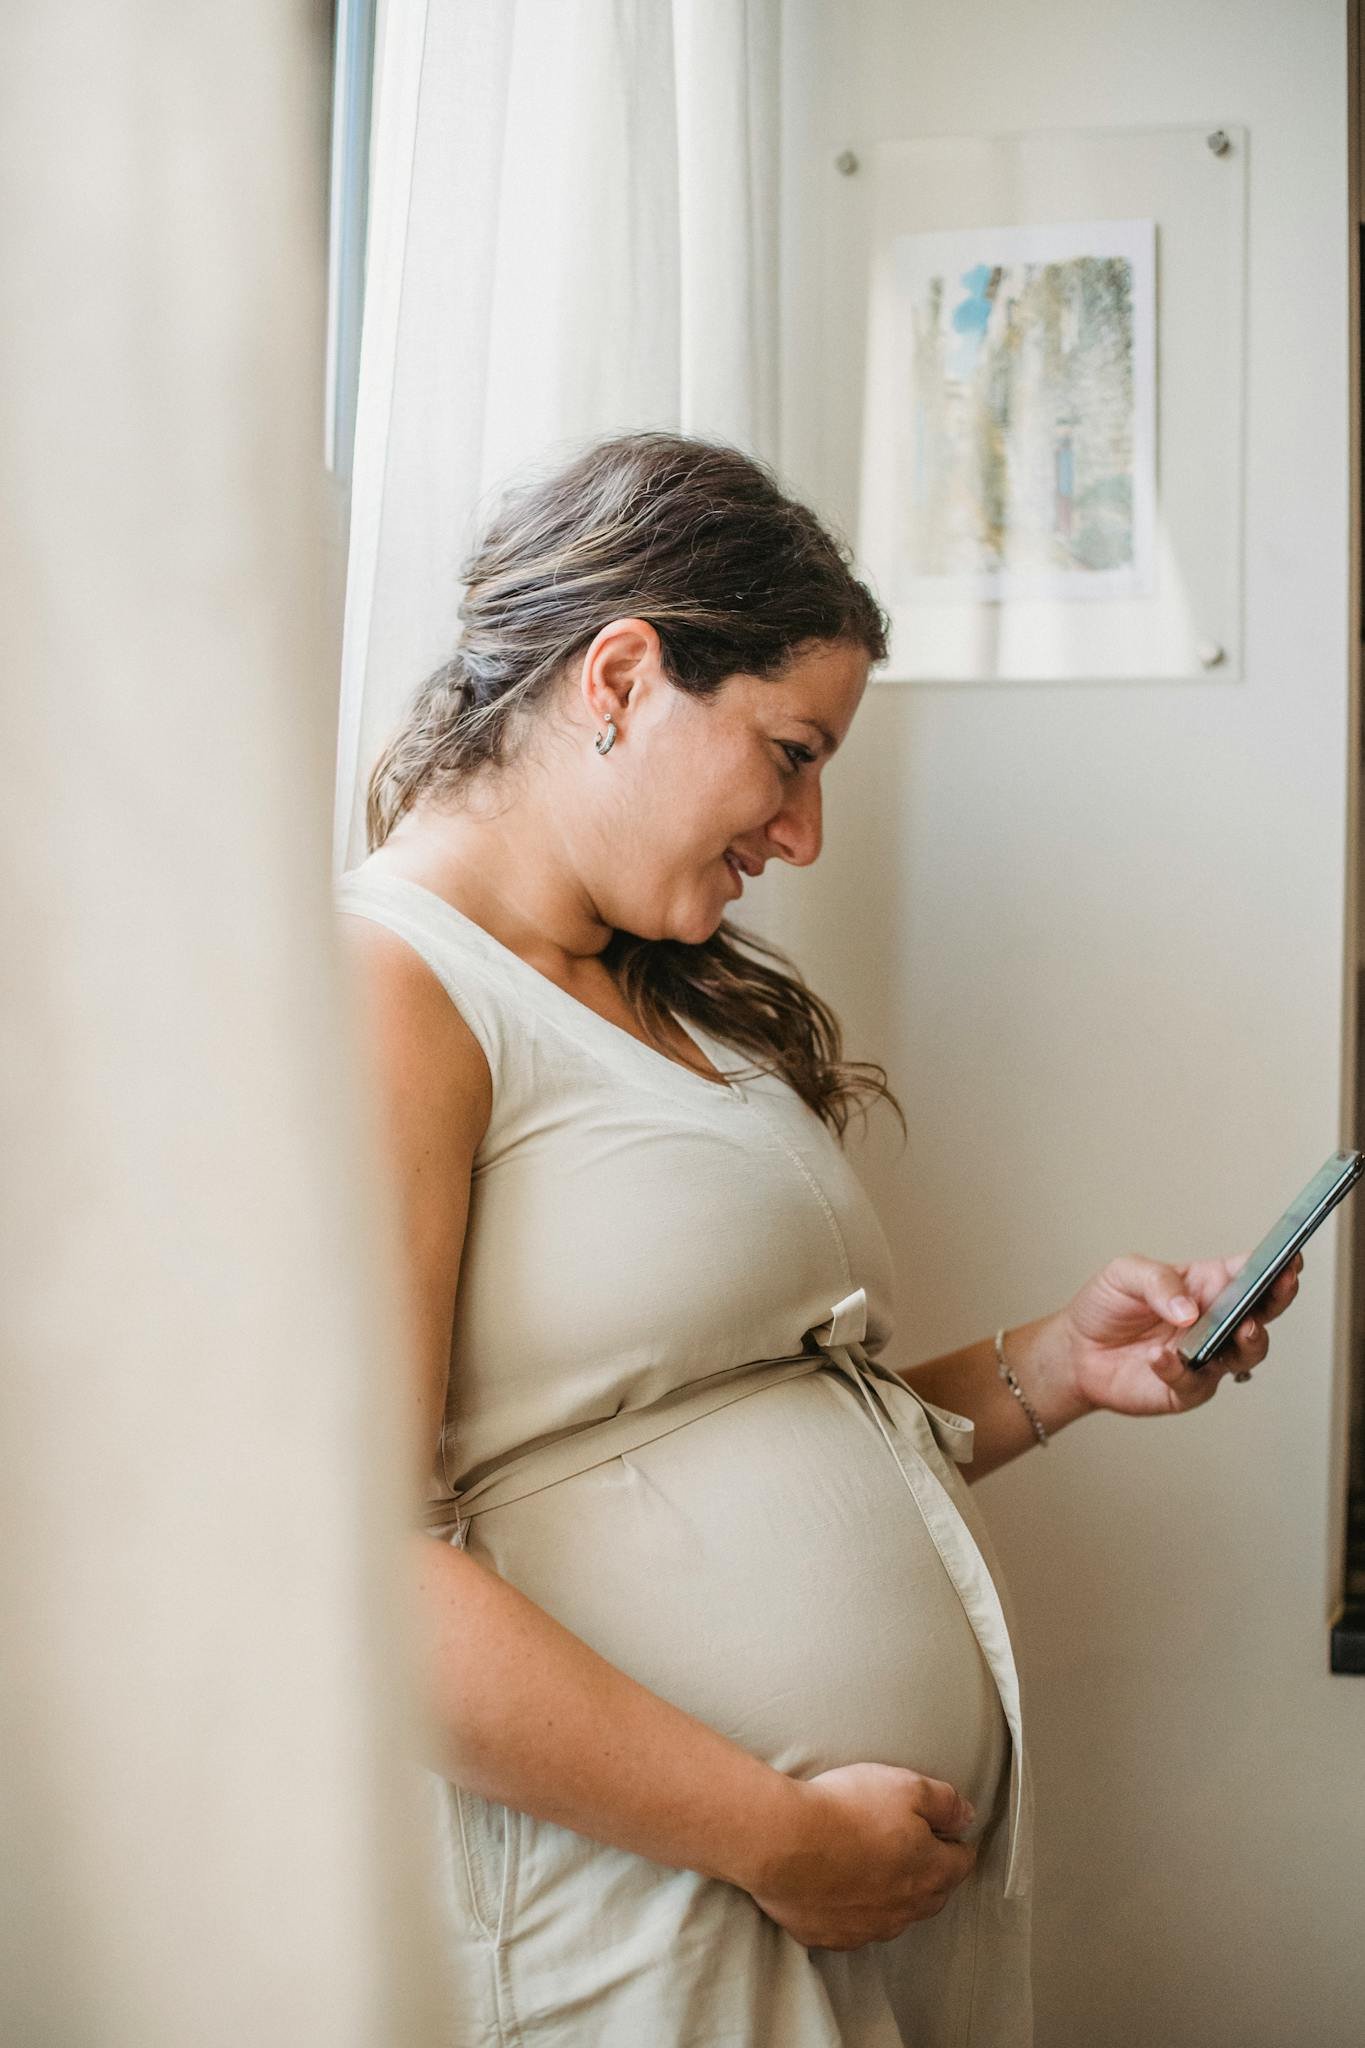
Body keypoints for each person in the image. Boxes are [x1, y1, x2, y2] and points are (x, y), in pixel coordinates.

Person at [336, 432, 1299, 2048]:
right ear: (623, 676)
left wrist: (1055, 1369)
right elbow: (344, 1564)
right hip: (651, 1902)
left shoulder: (636, 986)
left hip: (819, 1894)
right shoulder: (389, 989)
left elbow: (754, 1423)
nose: (804, 834)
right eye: (791, 751)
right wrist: (775, 1837)